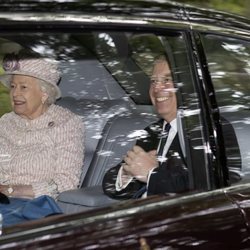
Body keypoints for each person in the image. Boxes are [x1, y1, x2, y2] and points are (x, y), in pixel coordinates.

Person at [0, 52, 84, 225]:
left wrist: (11, 190)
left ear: (44, 93)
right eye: (13, 86)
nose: (15, 93)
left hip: (30, 210)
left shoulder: (66, 123)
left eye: (23, 87)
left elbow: (66, 181)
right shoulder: (5, 121)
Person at [102, 55, 189, 199]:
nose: (157, 88)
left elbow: (202, 191)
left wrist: (151, 173)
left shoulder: (207, 131)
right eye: (153, 81)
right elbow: (109, 183)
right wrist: (128, 172)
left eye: (166, 80)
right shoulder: (152, 131)